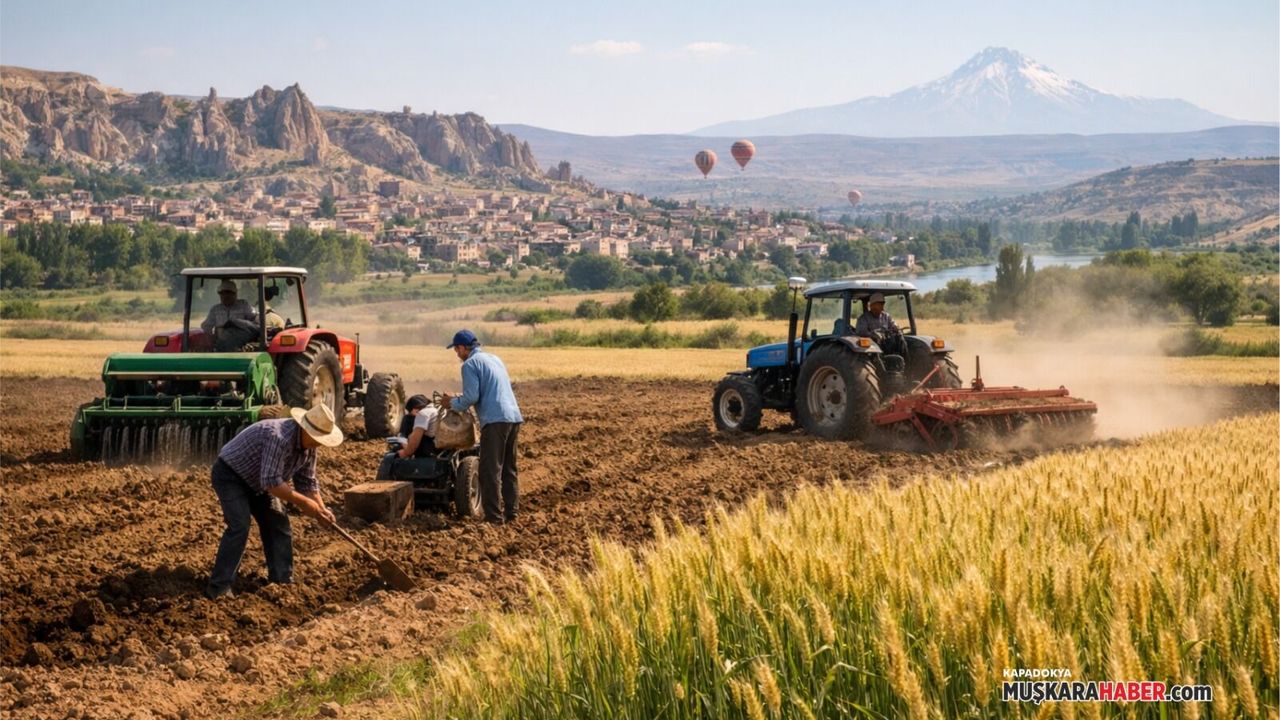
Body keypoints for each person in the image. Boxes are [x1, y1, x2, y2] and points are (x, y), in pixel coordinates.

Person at [205, 404, 343, 599]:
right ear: (304, 429)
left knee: (278, 523)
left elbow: (307, 482)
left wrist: (321, 509)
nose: (318, 444)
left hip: (259, 482)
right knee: (239, 526)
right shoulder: (278, 437)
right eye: (317, 438)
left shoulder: (310, 447)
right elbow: (271, 482)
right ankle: (219, 587)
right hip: (231, 475)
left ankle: (282, 581)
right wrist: (304, 503)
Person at [441, 330, 523, 524]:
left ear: (463, 347)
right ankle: (512, 513)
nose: (457, 354)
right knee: (509, 469)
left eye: (456, 349)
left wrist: (451, 403)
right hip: (513, 416)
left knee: (489, 470)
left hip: (494, 420)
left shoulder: (469, 365)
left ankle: (494, 517)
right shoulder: (494, 359)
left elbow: (472, 397)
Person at [201, 279, 259, 351]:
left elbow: (254, 320)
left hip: (240, 344)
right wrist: (211, 337)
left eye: (228, 293)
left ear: (235, 294)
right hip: (221, 343)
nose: (225, 296)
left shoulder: (243, 305)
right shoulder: (215, 309)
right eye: (222, 294)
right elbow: (206, 326)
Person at [397, 394, 439, 459]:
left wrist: (406, 452)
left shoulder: (423, 414)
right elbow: (403, 435)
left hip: (428, 453)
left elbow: (414, 443)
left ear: (415, 409)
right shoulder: (436, 409)